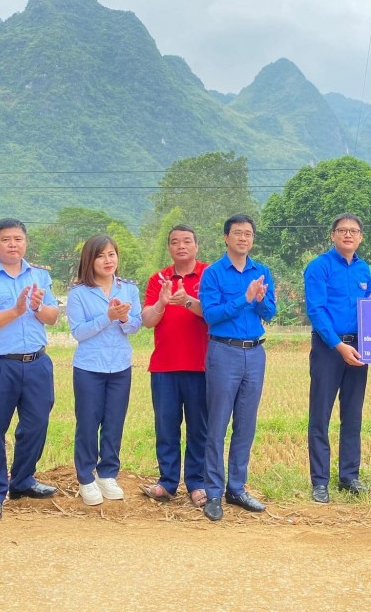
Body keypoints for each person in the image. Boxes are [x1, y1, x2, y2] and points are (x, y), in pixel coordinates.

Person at [0, 218, 60, 522]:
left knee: (36, 424)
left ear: (26, 242)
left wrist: (36, 308)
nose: (13, 244)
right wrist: (15, 310)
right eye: (6, 239)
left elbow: (53, 316)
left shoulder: (40, 276)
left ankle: (22, 480)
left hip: (37, 363)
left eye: (18, 238)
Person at [198, 214, 277, 521]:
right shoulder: (213, 273)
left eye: (248, 234)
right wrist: (244, 299)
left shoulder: (261, 271)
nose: (243, 238)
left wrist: (258, 300)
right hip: (224, 350)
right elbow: (211, 315)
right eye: (237, 234)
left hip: (255, 352)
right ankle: (213, 493)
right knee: (217, 424)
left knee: (246, 424)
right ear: (226, 238)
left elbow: (270, 311)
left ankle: (237, 488)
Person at [66, 235, 141, 506]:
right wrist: (106, 317)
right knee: (88, 422)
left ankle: (107, 473)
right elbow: (79, 333)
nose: (108, 260)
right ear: (90, 260)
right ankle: (86, 477)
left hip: (120, 365)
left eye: (112, 254)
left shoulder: (128, 289)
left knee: (114, 422)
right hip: (89, 367)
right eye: (101, 256)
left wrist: (122, 317)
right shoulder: (79, 293)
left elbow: (135, 326)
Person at [303, 213, 371, 504]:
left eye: (353, 231)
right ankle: (320, 482)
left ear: (360, 237)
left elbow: (369, 308)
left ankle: (349, 476)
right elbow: (316, 310)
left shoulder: (364, 269)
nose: (348, 235)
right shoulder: (319, 267)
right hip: (328, 349)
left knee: (353, 414)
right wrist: (337, 345)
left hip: (359, 348)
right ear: (332, 235)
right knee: (320, 415)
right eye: (342, 230)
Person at [140, 225, 209, 508]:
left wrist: (188, 301)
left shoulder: (209, 274)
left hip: (201, 365)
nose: (181, 246)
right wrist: (161, 302)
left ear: (196, 246)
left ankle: (197, 483)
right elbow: (146, 320)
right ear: (169, 247)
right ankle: (167, 482)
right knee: (166, 426)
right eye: (174, 242)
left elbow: (215, 314)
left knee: (199, 428)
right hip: (164, 366)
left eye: (187, 241)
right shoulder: (158, 279)